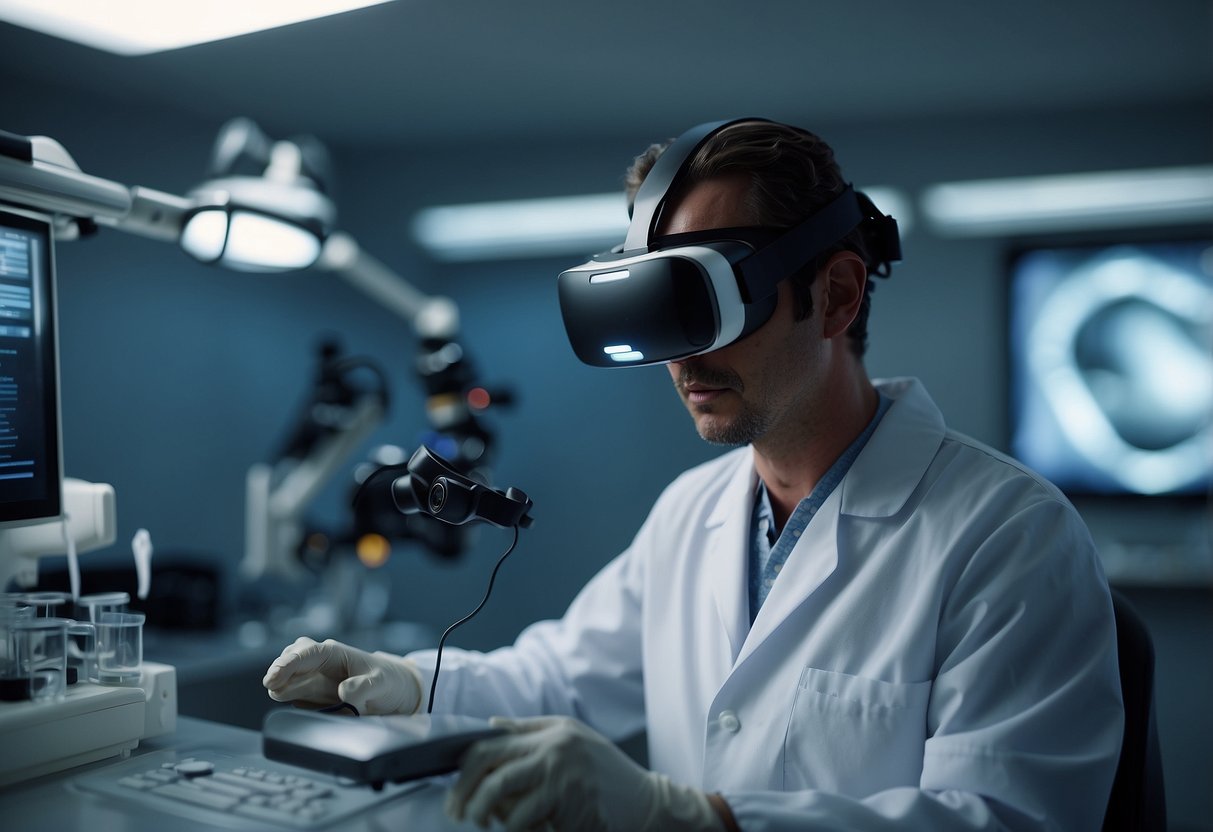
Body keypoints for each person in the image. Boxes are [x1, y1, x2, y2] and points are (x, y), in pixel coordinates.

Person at [263, 119, 1124, 831]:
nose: (682, 359)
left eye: (708, 302)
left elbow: (1001, 817)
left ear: (836, 296)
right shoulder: (691, 512)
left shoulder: (1010, 535)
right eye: (658, 306)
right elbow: (562, 676)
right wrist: (409, 680)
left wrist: (695, 817)